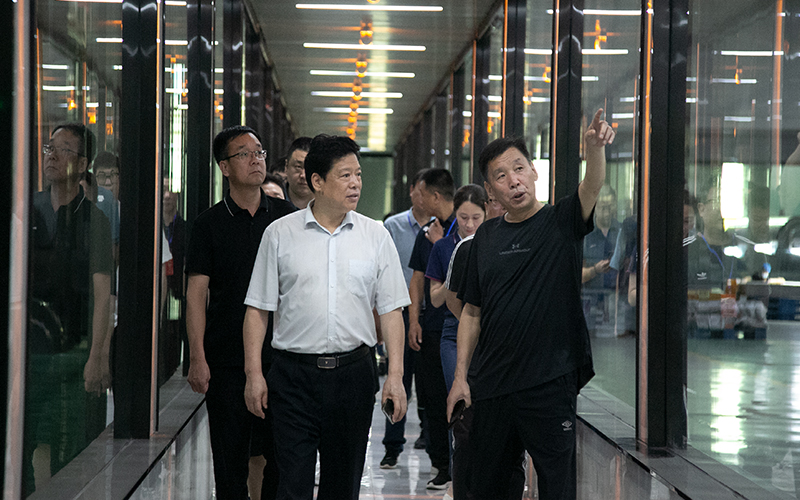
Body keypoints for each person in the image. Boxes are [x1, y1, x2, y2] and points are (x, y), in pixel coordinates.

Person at [447, 109, 615, 500]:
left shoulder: (561, 221)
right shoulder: (485, 238)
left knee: (557, 487)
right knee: (489, 488)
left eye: (519, 168)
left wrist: (594, 149)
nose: (514, 181)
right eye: (501, 176)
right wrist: (460, 378)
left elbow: (591, 186)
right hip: (492, 386)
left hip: (549, 384)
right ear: (490, 191)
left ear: (534, 172)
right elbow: (471, 312)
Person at [242, 134, 410, 499]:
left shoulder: (375, 236)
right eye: (345, 175)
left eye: (358, 174)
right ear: (317, 181)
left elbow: (392, 310)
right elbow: (257, 310)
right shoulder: (280, 234)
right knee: (292, 483)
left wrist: (395, 377)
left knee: (342, 485)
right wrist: (254, 374)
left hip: (353, 376)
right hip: (293, 377)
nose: (356, 183)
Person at [185, 125, 295, 500]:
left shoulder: (287, 218)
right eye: (244, 154)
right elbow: (196, 295)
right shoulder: (208, 225)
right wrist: (197, 357)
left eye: (259, 152)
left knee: (280, 458)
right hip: (226, 359)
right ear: (225, 167)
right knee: (230, 460)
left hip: (281, 356)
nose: (255, 160)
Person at [25, 123, 114, 494]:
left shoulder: (94, 220)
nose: (52, 156)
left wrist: (97, 356)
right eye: (50, 148)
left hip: (73, 350)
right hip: (30, 346)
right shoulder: (28, 209)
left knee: (67, 447)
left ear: (82, 164)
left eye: (63, 149)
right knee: (24, 441)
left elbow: (102, 295)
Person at [426, 184, 488, 500]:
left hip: (488, 334)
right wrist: (468, 315)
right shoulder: (446, 248)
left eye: (476, 217)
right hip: (454, 329)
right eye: (463, 217)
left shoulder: (490, 242)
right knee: (460, 404)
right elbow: (439, 299)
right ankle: (456, 476)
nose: (469, 224)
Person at [379, 169, 431, 469]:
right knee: (397, 378)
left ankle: (428, 435)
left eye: (428, 192)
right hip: (398, 314)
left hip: (429, 315)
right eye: (419, 191)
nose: (422, 197)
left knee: (427, 385)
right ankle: (392, 445)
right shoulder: (393, 226)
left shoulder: (441, 227)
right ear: (411, 190)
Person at [408, 168, 456, 489]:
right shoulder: (425, 232)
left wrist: (443, 246)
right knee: (434, 398)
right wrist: (414, 320)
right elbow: (416, 281)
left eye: (422, 193)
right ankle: (441, 463)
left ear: (436, 196)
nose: (418, 198)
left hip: (462, 325)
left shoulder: (465, 230)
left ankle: (461, 462)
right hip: (433, 327)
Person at [581, 185, 627, 337]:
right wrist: (595, 269)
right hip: (590, 304)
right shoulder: (585, 235)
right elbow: (575, 275)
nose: (607, 211)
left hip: (617, 304)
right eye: (603, 207)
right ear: (595, 206)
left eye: (610, 206)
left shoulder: (622, 232)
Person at [283, 137, 314, 209]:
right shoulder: (274, 201)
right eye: (298, 167)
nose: (303, 175)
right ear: (286, 167)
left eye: (309, 168)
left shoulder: (330, 206)